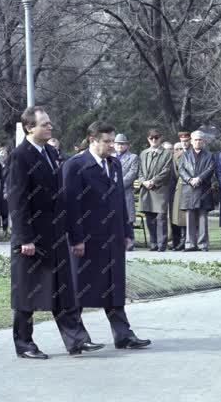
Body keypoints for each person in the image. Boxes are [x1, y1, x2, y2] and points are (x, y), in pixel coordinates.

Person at [7, 106, 104, 359]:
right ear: (30, 127)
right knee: (27, 294)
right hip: (32, 238)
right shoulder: (20, 156)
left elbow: (62, 197)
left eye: (50, 123)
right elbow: (17, 201)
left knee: (64, 291)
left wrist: (72, 233)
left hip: (56, 234)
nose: (50, 127)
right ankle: (24, 344)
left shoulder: (51, 151)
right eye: (45, 124)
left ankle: (77, 340)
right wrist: (24, 239)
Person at [63, 121, 151, 349]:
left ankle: (123, 334)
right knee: (80, 288)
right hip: (87, 238)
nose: (112, 146)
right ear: (92, 140)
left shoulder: (114, 164)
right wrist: (76, 238)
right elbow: (71, 205)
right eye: (107, 141)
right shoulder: (75, 165)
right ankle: (77, 338)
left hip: (112, 236)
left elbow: (120, 200)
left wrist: (126, 230)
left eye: (114, 141)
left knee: (114, 286)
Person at [179, 131, 215, 252]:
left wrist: (199, 178)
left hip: (203, 189)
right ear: (191, 141)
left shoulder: (209, 155)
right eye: (195, 140)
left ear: (203, 141)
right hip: (189, 189)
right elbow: (181, 169)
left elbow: (210, 168)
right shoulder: (185, 155)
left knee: (202, 217)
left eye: (200, 140)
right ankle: (190, 244)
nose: (197, 142)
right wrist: (190, 179)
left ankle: (202, 244)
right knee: (189, 218)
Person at [137, 129, 172, 252]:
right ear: (148, 139)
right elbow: (139, 171)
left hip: (160, 190)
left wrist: (153, 181)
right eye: (151, 138)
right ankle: (153, 243)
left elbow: (167, 170)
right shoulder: (143, 153)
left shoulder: (167, 154)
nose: (153, 140)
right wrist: (144, 181)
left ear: (160, 138)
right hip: (146, 190)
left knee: (161, 217)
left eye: (156, 137)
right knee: (149, 218)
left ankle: (162, 244)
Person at [114, 133, 139, 251]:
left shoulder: (133, 157)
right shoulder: (110, 157)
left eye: (122, 144)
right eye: (118, 144)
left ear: (127, 145)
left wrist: (117, 185)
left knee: (128, 218)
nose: (120, 146)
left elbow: (132, 174)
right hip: (111, 192)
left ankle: (130, 242)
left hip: (125, 191)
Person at [169, 140, 187, 250]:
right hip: (176, 189)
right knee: (176, 218)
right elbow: (175, 174)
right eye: (177, 149)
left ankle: (184, 240)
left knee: (184, 217)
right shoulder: (175, 158)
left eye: (181, 149)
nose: (179, 151)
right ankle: (176, 241)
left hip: (187, 188)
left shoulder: (188, 156)